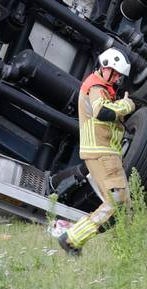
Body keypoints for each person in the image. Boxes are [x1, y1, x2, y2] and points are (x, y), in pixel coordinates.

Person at [57, 47, 136, 256]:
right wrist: (125, 106)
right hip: (102, 152)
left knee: (123, 203)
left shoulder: (102, 86)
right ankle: (72, 239)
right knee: (116, 199)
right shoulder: (97, 87)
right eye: (116, 73)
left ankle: (129, 247)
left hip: (103, 151)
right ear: (105, 68)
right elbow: (102, 112)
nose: (118, 78)